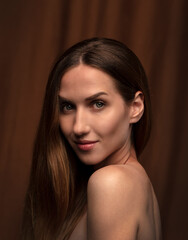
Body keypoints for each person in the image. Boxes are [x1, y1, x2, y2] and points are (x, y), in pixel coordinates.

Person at [22, 37, 162, 240]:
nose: (79, 127)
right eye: (68, 106)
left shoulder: (113, 183)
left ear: (135, 108)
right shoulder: (132, 182)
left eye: (98, 104)